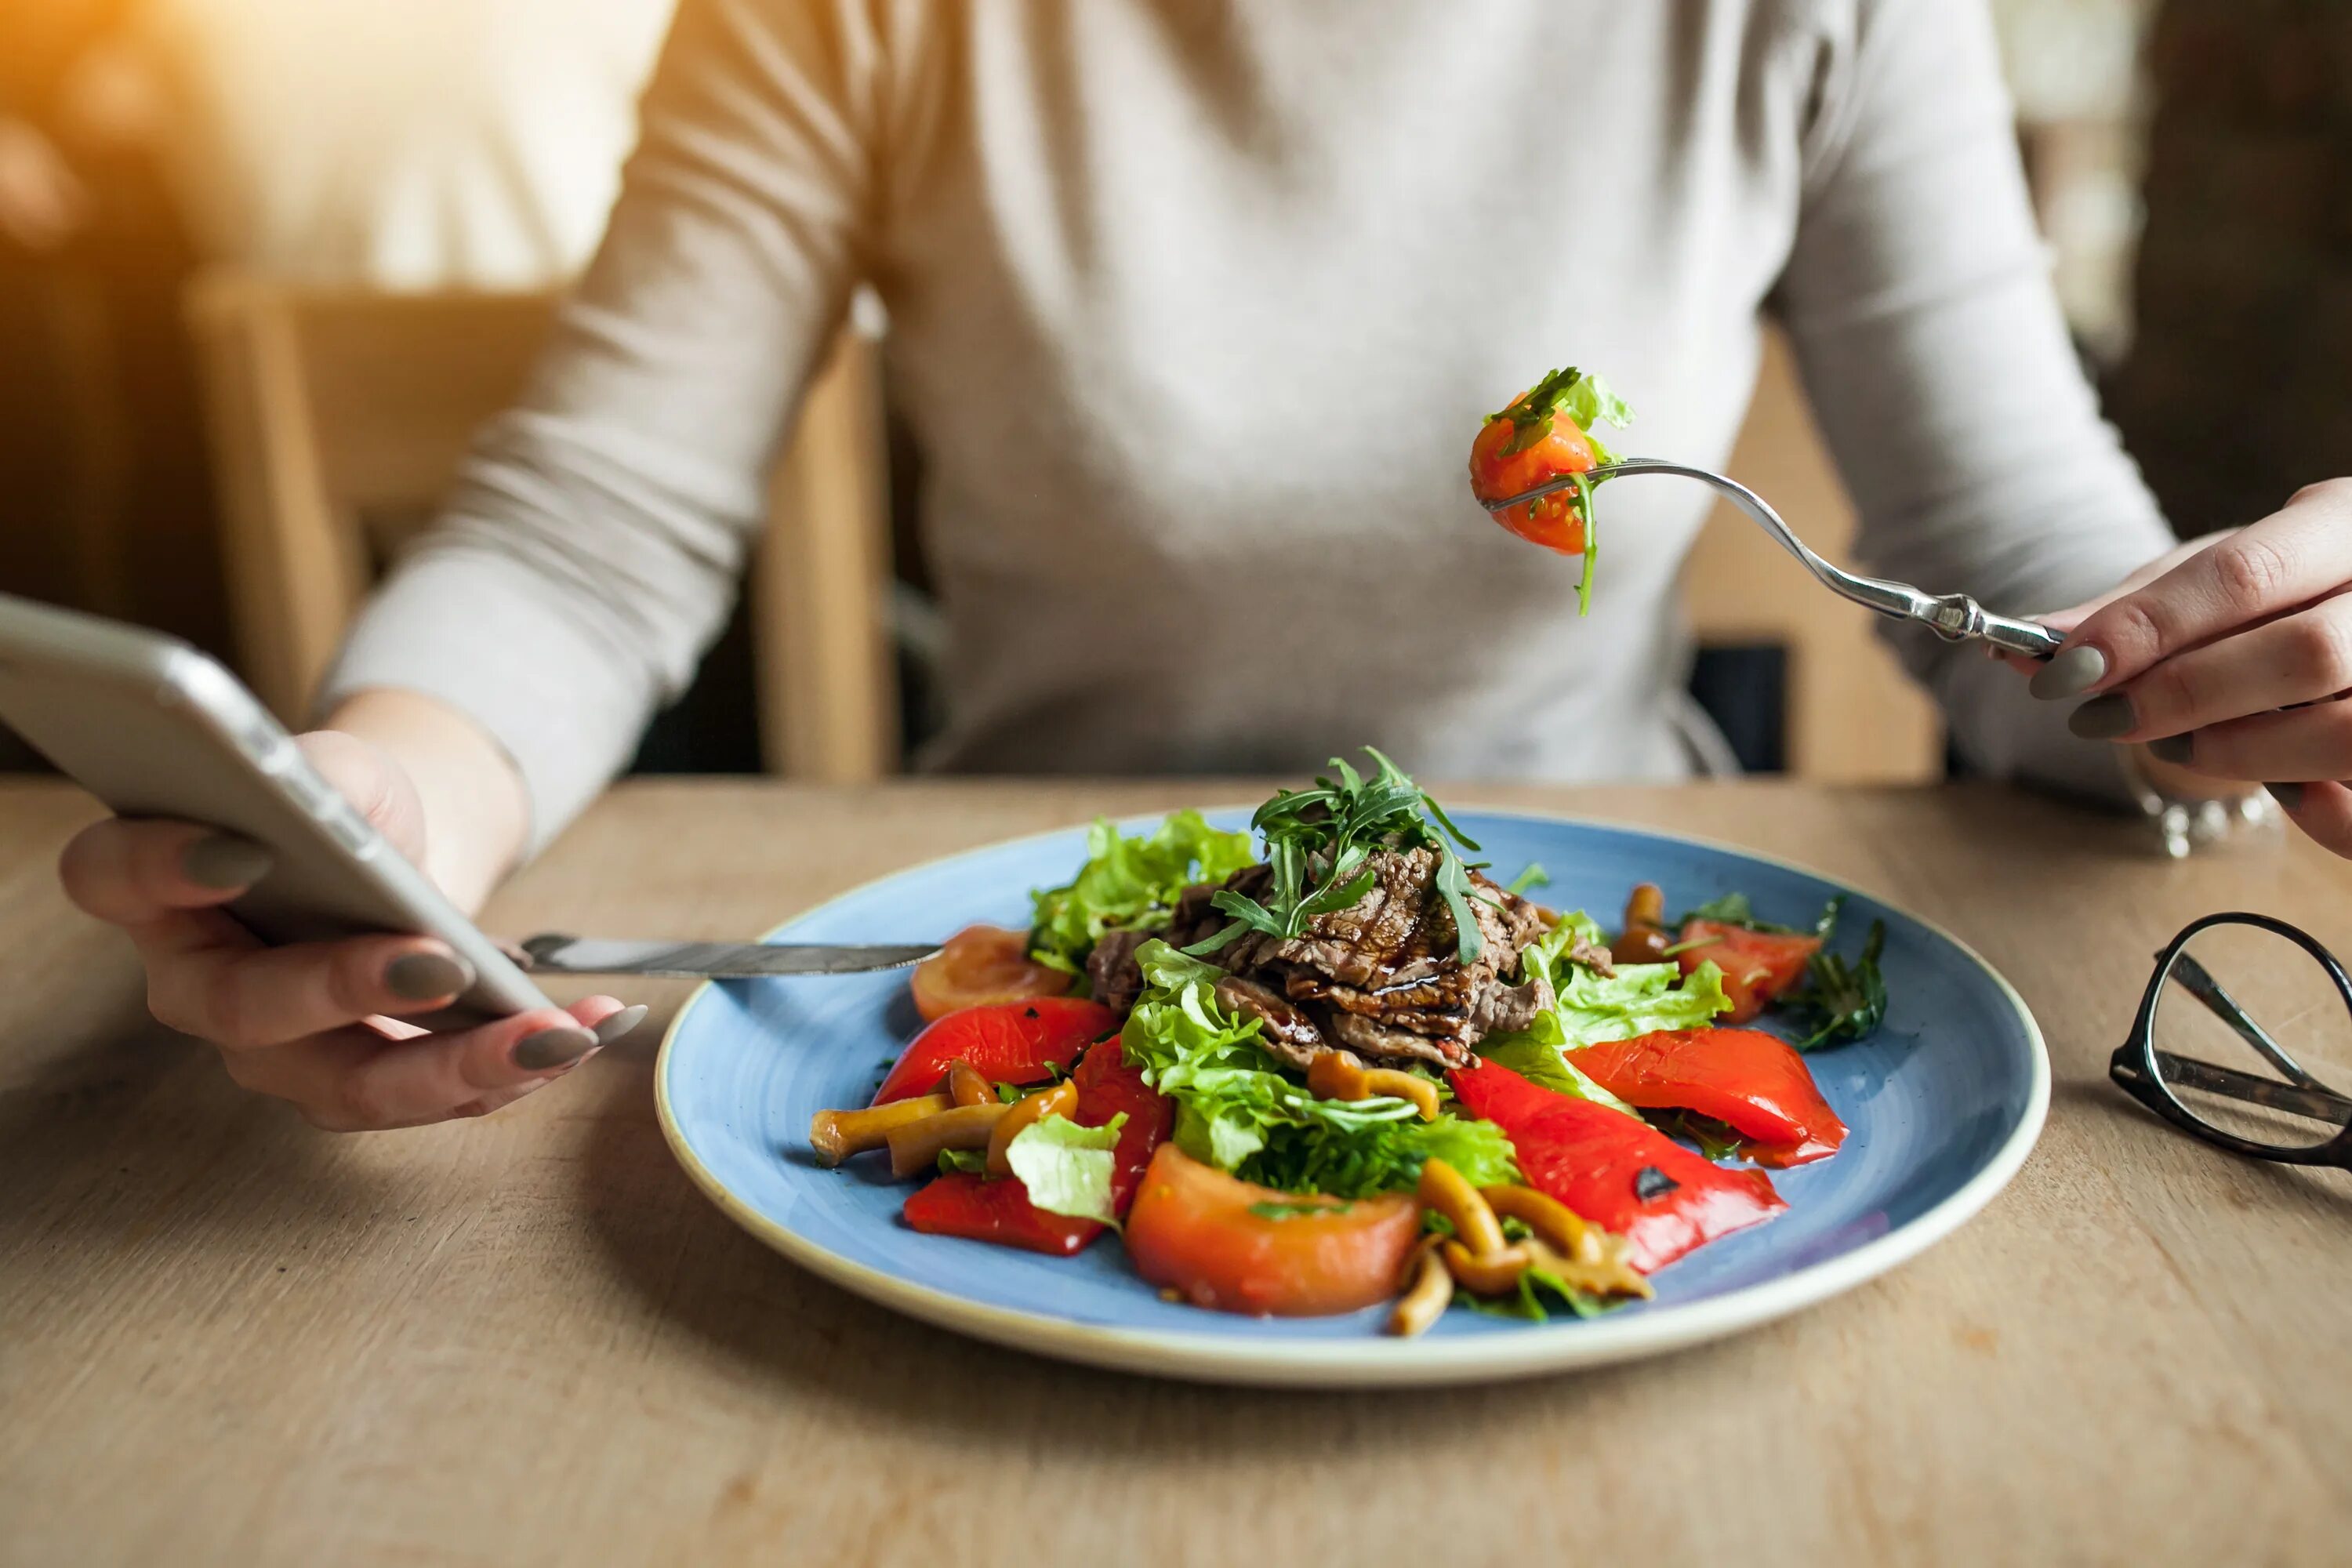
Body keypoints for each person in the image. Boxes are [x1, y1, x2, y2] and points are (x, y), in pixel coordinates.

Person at [53, 0, 2352, 1131]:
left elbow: (2003, 560)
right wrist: (390, 822)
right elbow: (586, 530)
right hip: (1022, 1017)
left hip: (1597, 1014)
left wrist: (2229, 668)